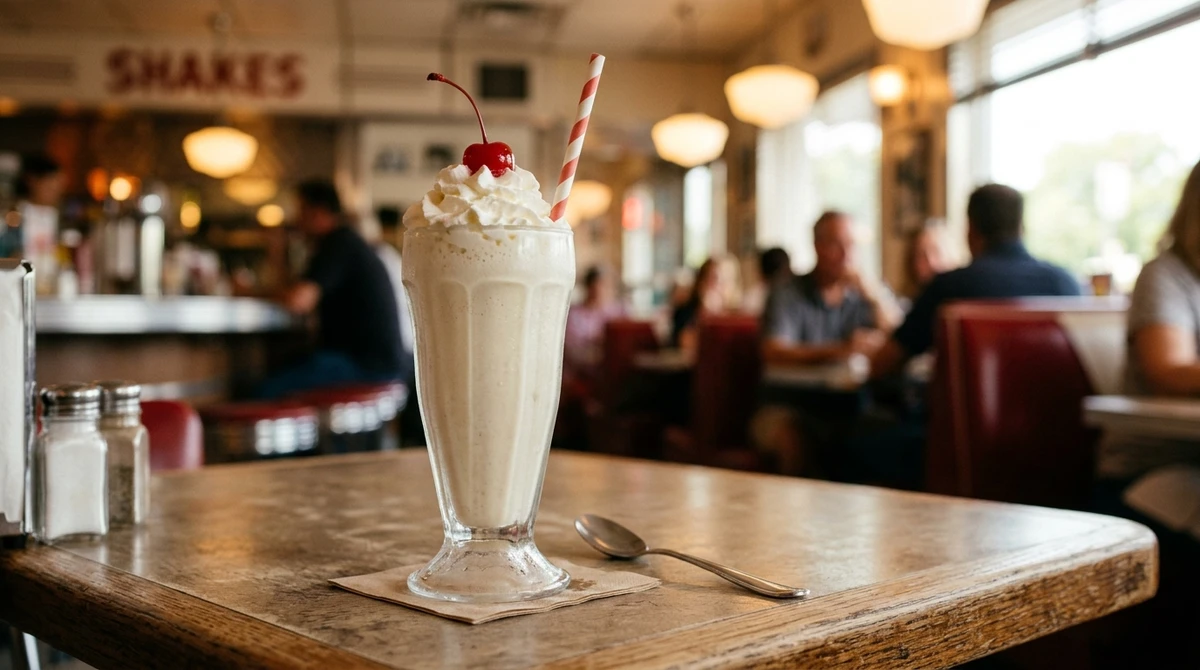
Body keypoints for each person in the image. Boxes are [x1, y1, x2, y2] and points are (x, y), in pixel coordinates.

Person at [871, 184, 1081, 378]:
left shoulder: (949, 287)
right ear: (1021, 228)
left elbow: (885, 361)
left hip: (970, 416)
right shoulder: (1066, 284)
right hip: (1058, 416)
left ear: (971, 229)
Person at [257, 180, 406, 398]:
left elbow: (298, 300)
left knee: (264, 392)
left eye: (300, 211)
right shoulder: (345, 242)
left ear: (318, 212)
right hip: (377, 364)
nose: (296, 220)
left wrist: (245, 291)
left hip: (365, 366)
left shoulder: (338, 243)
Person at [761, 211, 900, 367]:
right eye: (836, 244)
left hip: (854, 388)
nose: (846, 254)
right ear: (817, 246)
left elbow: (899, 337)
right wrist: (841, 351)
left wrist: (873, 296)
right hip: (798, 389)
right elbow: (773, 352)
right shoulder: (786, 292)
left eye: (851, 244)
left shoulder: (864, 292)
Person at [564, 265, 624, 390]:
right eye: (599, 285)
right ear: (588, 287)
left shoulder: (620, 312)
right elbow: (573, 353)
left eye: (608, 286)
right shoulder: (575, 315)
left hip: (615, 374)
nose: (602, 290)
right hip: (583, 375)